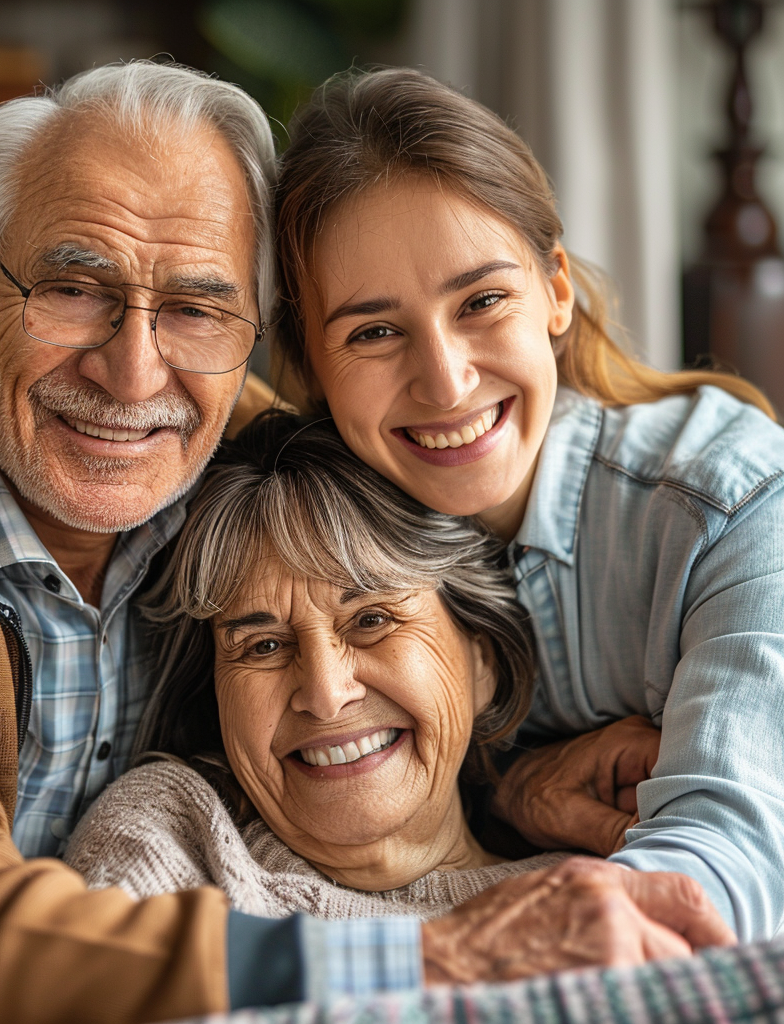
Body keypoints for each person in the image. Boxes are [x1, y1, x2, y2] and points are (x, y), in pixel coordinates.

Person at [0, 58, 738, 1024]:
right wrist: (423, 957)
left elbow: (397, 644)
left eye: (195, 307)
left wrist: (510, 776)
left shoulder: (235, 450)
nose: (135, 372)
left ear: (253, 338)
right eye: (72, 288)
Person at [274, 66, 784, 945]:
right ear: (310, 365)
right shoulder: (298, 543)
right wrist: (513, 786)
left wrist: (583, 920)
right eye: (374, 331)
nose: (446, 381)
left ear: (555, 291)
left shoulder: (731, 501)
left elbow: (735, 850)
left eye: (481, 301)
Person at [65, 410, 572, 920]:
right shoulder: (172, 838)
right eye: (263, 646)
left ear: (481, 661)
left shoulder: (600, 891)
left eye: (371, 619)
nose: (327, 694)